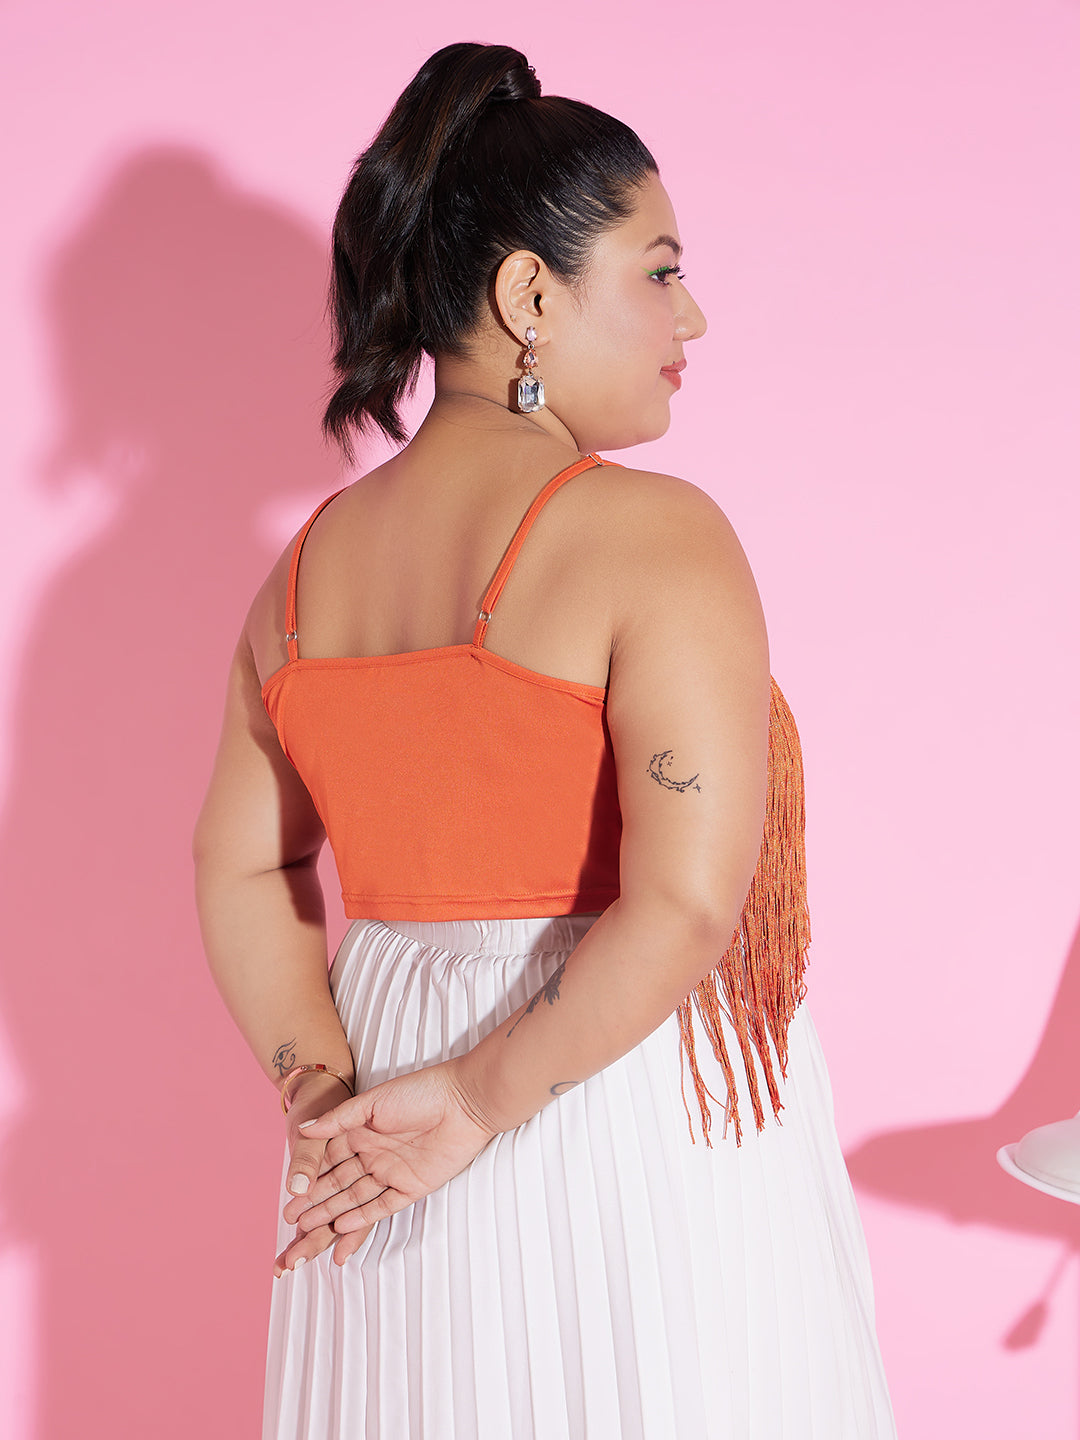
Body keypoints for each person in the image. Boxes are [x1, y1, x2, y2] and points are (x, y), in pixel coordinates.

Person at [194, 41, 896, 1440]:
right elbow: (686, 904)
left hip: (375, 1122)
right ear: (529, 295)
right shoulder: (655, 536)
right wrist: (470, 1104)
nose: (692, 316)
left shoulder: (303, 576)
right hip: (610, 1096)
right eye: (659, 270)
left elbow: (241, 866)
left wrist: (326, 1092)